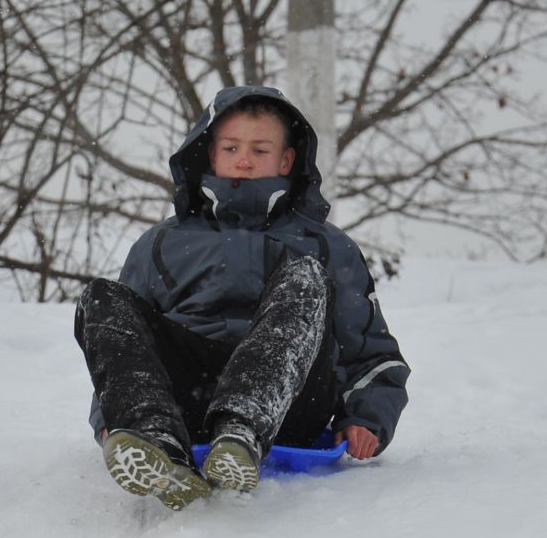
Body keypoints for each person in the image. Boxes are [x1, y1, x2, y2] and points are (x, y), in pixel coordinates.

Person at [76, 85, 411, 507]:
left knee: (306, 277)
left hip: (289, 404)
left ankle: (241, 433)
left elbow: (371, 352)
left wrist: (366, 418)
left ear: (287, 160)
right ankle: (155, 438)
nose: (245, 159)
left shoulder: (326, 245)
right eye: (231, 147)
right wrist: (111, 417)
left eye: (260, 149)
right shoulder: (160, 243)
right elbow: (125, 351)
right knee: (102, 298)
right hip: (187, 398)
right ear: (209, 154)